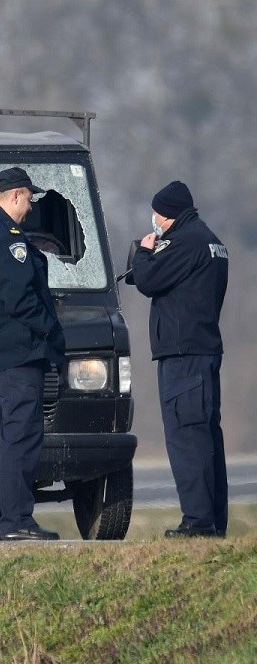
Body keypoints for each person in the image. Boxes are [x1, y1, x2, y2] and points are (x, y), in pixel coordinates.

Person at [0, 167, 66, 541]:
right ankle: (17, 521)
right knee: (21, 436)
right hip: (18, 352)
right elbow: (19, 297)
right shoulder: (7, 237)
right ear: (16, 195)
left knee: (2, 438)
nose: (31, 208)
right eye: (29, 199)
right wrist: (49, 329)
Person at [130, 181, 229, 538]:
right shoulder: (212, 241)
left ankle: (198, 522)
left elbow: (147, 279)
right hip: (204, 351)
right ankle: (212, 521)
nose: (153, 220)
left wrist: (144, 251)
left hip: (183, 357)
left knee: (186, 438)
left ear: (167, 214)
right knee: (206, 438)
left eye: (156, 213)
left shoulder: (184, 241)